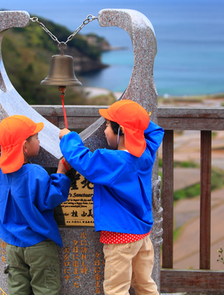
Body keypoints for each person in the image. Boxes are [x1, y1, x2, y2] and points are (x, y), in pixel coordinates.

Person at [59, 100, 164, 295]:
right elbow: (156, 131)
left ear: (121, 130)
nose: (104, 130)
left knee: (116, 289)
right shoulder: (146, 153)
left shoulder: (115, 161)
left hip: (120, 238)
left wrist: (68, 137)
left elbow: (83, 161)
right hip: (142, 235)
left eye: (107, 125)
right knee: (144, 284)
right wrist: (135, 123)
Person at [0, 115, 71, 295]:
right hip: (39, 245)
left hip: (12, 244)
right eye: (36, 137)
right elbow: (51, 198)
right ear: (24, 145)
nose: (39, 141)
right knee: (46, 289)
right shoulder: (36, 173)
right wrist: (61, 172)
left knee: (17, 290)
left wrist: (8, 134)